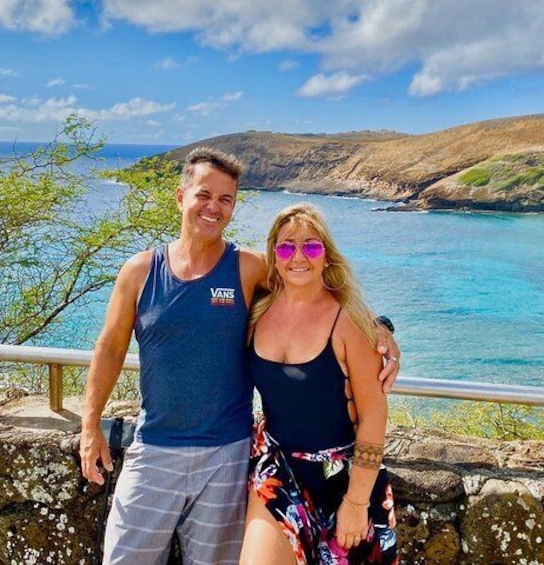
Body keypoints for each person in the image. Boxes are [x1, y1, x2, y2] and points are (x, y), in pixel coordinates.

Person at [80, 148, 401, 565]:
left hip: (227, 456)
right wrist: (90, 425)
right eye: (203, 195)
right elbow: (108, 348)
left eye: (226, 199)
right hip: (155, 449)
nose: (214, 207)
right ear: (181, 197)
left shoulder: (248, 268)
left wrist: (378, 326)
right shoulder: (140, 271)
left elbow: (309, 282)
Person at [240, 203, 398, 565]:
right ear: (274, 256)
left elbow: (373, 415)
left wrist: (357, 503)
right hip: (278, 470)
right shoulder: (257, 313)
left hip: (344, 478)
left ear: (326, 256)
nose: (299, 256)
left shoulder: (348, 324)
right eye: (286, 247)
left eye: (311, 246)